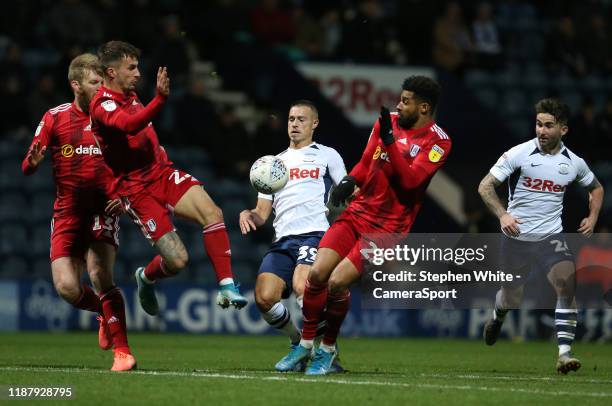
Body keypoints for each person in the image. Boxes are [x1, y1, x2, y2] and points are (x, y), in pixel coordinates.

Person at [276, 76, 452, 375]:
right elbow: (366, 161)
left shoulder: (439, 141)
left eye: (406, 101)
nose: (399, 104)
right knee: (317, 274)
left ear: (424, 107)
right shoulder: (388, 123)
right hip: (357, 213)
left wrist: (390, 142)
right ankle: (306, 345)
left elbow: (411, 182)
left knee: (337, 282)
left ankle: (328, 350)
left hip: (386, 229)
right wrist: (349, 181)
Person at [89, 41, 248, 316]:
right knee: (177, 261)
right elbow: (128, 126)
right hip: (136, 190)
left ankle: (227, 286)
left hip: (162, 173)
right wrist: (160, 99)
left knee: (213, 213)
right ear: (111, 72)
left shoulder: (131, 93)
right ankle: (146, 278)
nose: (138, 73)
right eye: (132, 68)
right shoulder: (101, 105)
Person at [21, 54, 134, 371]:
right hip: (68, 212)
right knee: (68, 288)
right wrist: (32, 162)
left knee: (99, 274)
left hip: (103, 207)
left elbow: (134, 163)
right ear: (76, 85)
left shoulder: (113, 117)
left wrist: (124, 196)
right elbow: (27, 166)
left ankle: (123, 352)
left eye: (103, 82)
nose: (101, 88)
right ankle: (105, 313)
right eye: (95, 83)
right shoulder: (55, 117)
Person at [478, 98, 604, 374]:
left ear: (564, 129)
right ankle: (498, 317)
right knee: (512, 298)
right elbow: (485, 187)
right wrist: (503, 215)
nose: (542, 131)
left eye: (548, 125)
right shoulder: (518, 154)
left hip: (551, 236)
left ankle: (564, 354)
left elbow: (596, 189)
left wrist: (592, 218)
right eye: (538, 124)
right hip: (516, 237)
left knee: (566, 282)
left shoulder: (573, 163)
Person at [239, 100, 347, 372]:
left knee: (303, 285)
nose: (295, 124)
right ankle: (298, 341)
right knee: (264, 298)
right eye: (291, 119)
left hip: (315, 234)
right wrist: (249, 214)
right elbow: (262, 212)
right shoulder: (272, 164)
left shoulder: (327, 155)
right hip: (283, 240)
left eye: (301, 119)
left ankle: (327, 353)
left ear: (315, 124)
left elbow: (347, 191)